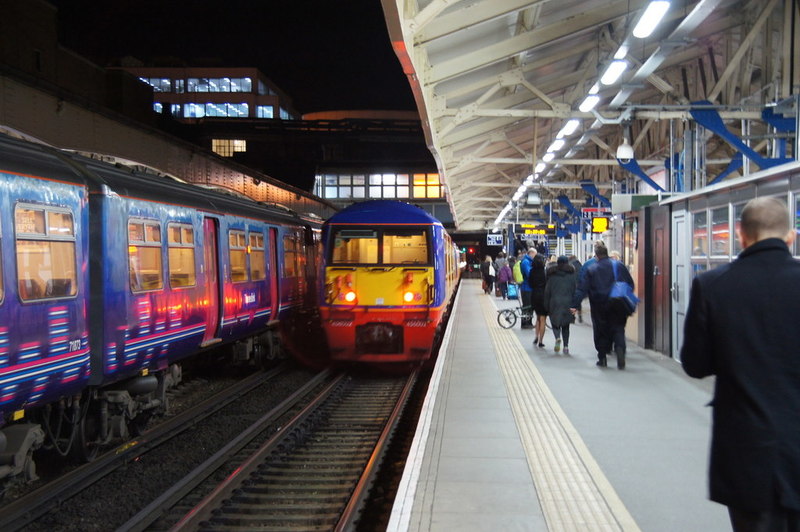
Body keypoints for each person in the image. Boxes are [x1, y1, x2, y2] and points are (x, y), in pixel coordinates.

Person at [680, 197, 800, 531]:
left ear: (740, 235)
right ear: (790, 236)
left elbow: (695, 364)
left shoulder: (712, 285)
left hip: (746, 449)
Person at [570, 242, 634, 369]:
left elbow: (582, 289)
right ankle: (620, 350)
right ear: (607, 254)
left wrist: (575, 305)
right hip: (618, 303)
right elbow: (630, 283)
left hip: (599, 305)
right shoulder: (619, 265)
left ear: (597, 256)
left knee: (601, 331)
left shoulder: (592, 269)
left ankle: (602, 357)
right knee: (618, 328)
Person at [544, 256, 577, 354]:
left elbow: (547, 292)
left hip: (554, 302)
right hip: (568, 302)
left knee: (555, 323)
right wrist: (575, 305)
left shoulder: (552, 275)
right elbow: (575, 290)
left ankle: (558, 338)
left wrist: (546, 306)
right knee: (566, 326)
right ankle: (566, 346)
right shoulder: (572, 275)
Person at [529, 252, 548, 347]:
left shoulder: (532, 271)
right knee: (543, 319)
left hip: (535, 295)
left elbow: (530, 284)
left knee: (537, 318)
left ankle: (536, 337)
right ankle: (541, 341)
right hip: (544, 295)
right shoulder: (545, 271)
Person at [519, 248, 537, 328]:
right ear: (531, 253)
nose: (535, 257)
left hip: (530, 287)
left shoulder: (529, 261)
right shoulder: (526, 262)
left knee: (531, 306)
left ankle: (529, 322)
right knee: (527, 306)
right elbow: (529, 274)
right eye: (535, 255)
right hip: (526, 288)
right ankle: (525, 323)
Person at [568, 255, 583, 322]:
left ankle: (572, 317)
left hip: (572, 285)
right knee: (578, 301)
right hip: (579, 285)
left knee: (572, 301)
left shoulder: (570, 265)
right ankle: (580, 315)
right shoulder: (580, 265)